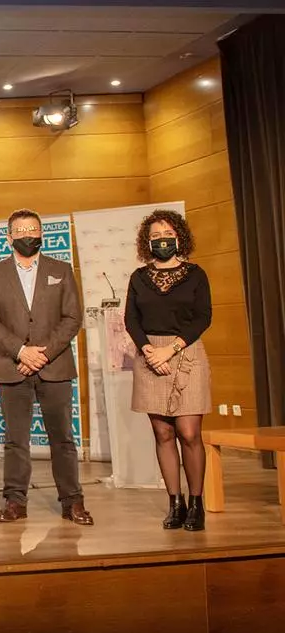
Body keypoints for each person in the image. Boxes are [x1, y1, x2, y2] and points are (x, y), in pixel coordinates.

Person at [0, 208, 92, 525]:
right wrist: (21, 351)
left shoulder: (61, 269)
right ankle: (15, 501)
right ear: (9, 237)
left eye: (32, 229)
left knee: (63, 439)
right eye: (20, 230)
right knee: (16, 440)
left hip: (54, 365)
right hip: (12, 366)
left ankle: (72, 501)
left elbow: (72, 317)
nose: (27, 235)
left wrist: (43, 353)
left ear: (41, 234)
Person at [125, 210, 212, 531]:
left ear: (179, 237)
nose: (162, 240)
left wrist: (171, 349)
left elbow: (203, 317)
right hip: (150, 356)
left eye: (168, 235)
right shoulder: (138, 277)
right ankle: (175, 503)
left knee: (189, 433)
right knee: (163, 433)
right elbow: (131, 319)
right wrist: (149, 351)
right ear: (147, 242)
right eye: (156, 236)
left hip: (186, 352)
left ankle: (197, 503)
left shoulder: (196, 274)